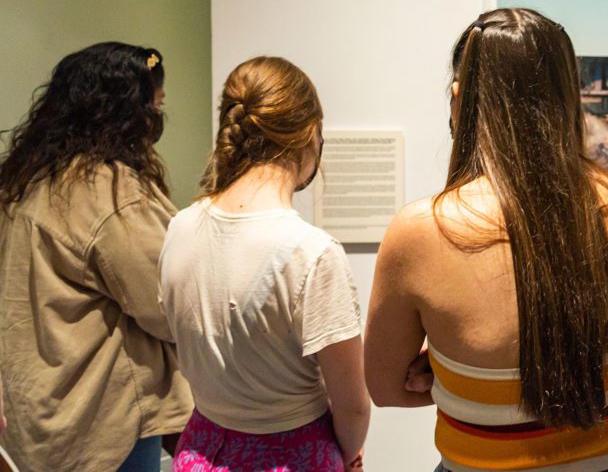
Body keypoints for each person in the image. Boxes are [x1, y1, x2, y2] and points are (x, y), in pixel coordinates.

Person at [364, 8, 608, 472]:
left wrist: (453, 372)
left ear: (459, 98)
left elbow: (385, 388)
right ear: (568, 97)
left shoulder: (422, 228)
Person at [160, 56, 370, 471]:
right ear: (312, 135)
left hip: (200, 449)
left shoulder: (179, 227)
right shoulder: (311, 253)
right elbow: (354, 406)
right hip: (291, 456)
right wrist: (348, 457)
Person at [0, 42, 193, 471]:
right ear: (125, 110)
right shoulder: (110, 192)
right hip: (105, 421)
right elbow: (164, 305)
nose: (158, 118)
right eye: (155, 105)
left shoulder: (24, 180)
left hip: (35, 414)